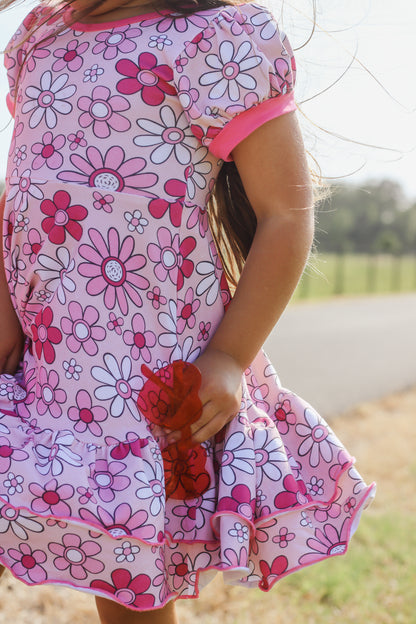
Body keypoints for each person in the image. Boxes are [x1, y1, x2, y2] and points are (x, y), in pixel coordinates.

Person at [0, 0, 376, 622]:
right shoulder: (42, 36)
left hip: (150, 381)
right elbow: (25, 189)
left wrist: (229, 356)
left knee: (129, 591)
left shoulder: (215, 40)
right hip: (43, 366)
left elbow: (285, 212)